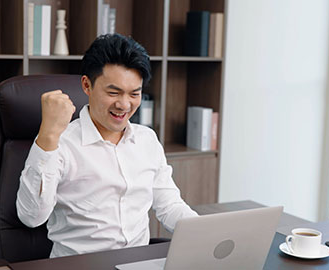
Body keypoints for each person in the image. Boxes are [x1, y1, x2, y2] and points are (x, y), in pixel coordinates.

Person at [16, 33, 198, 258]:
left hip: (136, 262)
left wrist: (205, 234)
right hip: (79, 265)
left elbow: (169, 205)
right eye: (113, 92)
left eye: (134, 94)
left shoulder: (147, 140)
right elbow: (31, 217)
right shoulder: (59, 143)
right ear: (86, 85)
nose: (124, 104)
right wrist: (48, 134)